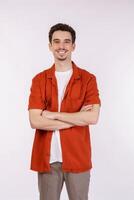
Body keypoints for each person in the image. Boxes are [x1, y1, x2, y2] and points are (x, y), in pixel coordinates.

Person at [28, 23, 101, 200]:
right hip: (47, 160)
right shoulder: (39, 80)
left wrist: (54, 114)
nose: (62, 46)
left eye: (67, 42)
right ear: (50, 46)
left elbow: (93, 117)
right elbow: (35, 121)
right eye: (57, 41)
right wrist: (77, 118)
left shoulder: (88, 79)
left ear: (73, 46)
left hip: (78, 157)